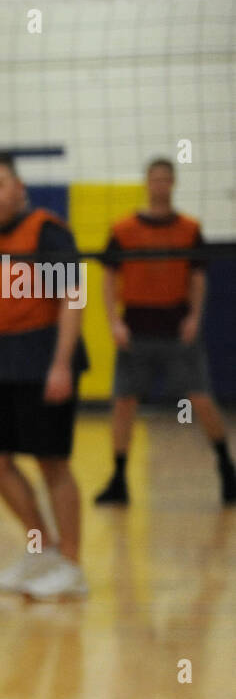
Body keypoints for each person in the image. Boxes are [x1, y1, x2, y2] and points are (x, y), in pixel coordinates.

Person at [0, 152, 89, 599]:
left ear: (19, 187)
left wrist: (60, 364)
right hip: (5, 357)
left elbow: (72, 298)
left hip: (44, 353)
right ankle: (42, 549)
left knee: (51, 462)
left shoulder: (47, 230)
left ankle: (73, 566)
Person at [95, 157, 235, 505]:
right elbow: (108, 278)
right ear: (147, 182)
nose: (159, 185)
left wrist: (194, 318)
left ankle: (226, 469)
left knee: (200, 398)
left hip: (176, 327)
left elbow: (198, 278)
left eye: (165, 179)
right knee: (124, 403)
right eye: (154, 179)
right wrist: (113, 320)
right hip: (137, 327)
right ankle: (119, 479)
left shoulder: (189, 227)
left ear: (173, 183)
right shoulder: (123, 228)